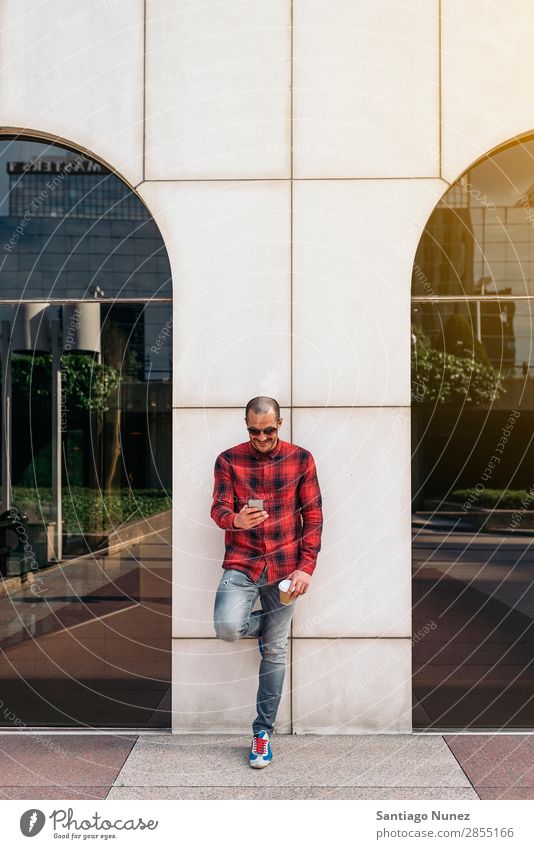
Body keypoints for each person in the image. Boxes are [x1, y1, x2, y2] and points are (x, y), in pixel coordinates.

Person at [210, 396, 323, 768]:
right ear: (246, 425)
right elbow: (219, 507)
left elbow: (314, 517)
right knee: (228, 628)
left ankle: (262, 734)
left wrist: (306, 567)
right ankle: (264, 629)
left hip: (286, 570)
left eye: (269, 430)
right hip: (243, 562)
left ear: (281, 423)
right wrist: (234, 520)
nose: (261, 437)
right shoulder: (229, 460)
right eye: (254, 430)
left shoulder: (301, 459)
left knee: (275, 650)